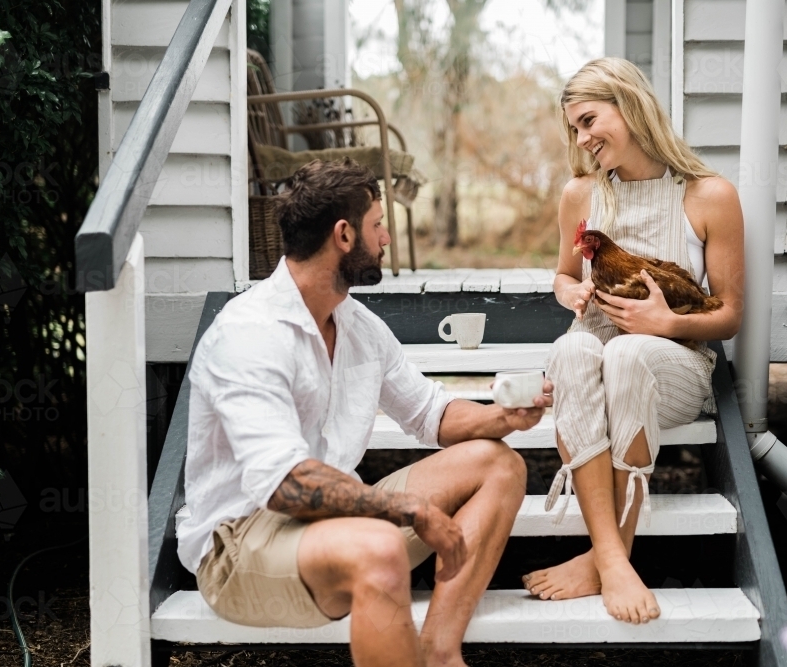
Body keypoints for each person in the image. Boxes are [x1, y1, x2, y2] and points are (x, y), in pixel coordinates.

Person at [177, 158, 551, 667]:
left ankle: (440, 651)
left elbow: (429, 412)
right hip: (242, 544)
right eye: (378, 225)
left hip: (337, 517)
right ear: (344, 235)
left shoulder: (356, 324)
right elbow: (284, 485)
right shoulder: (250, 333)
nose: (387, 239)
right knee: (378, 545)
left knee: (498, 463)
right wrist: (410, 510)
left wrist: (502, 418)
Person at [521, 58, 744, 625]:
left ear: (631, 105)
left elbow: (731, 316)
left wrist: (665, 324)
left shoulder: (709, 195)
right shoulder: (581, 195)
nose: (582, 138)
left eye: (590, 119)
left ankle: (603, 557)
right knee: (575, 349)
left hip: (671, 364)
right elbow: (563, 275)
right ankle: (615, 559)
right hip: (593, 355)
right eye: (574, 128)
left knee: (627, 351)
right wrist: (570, 293)